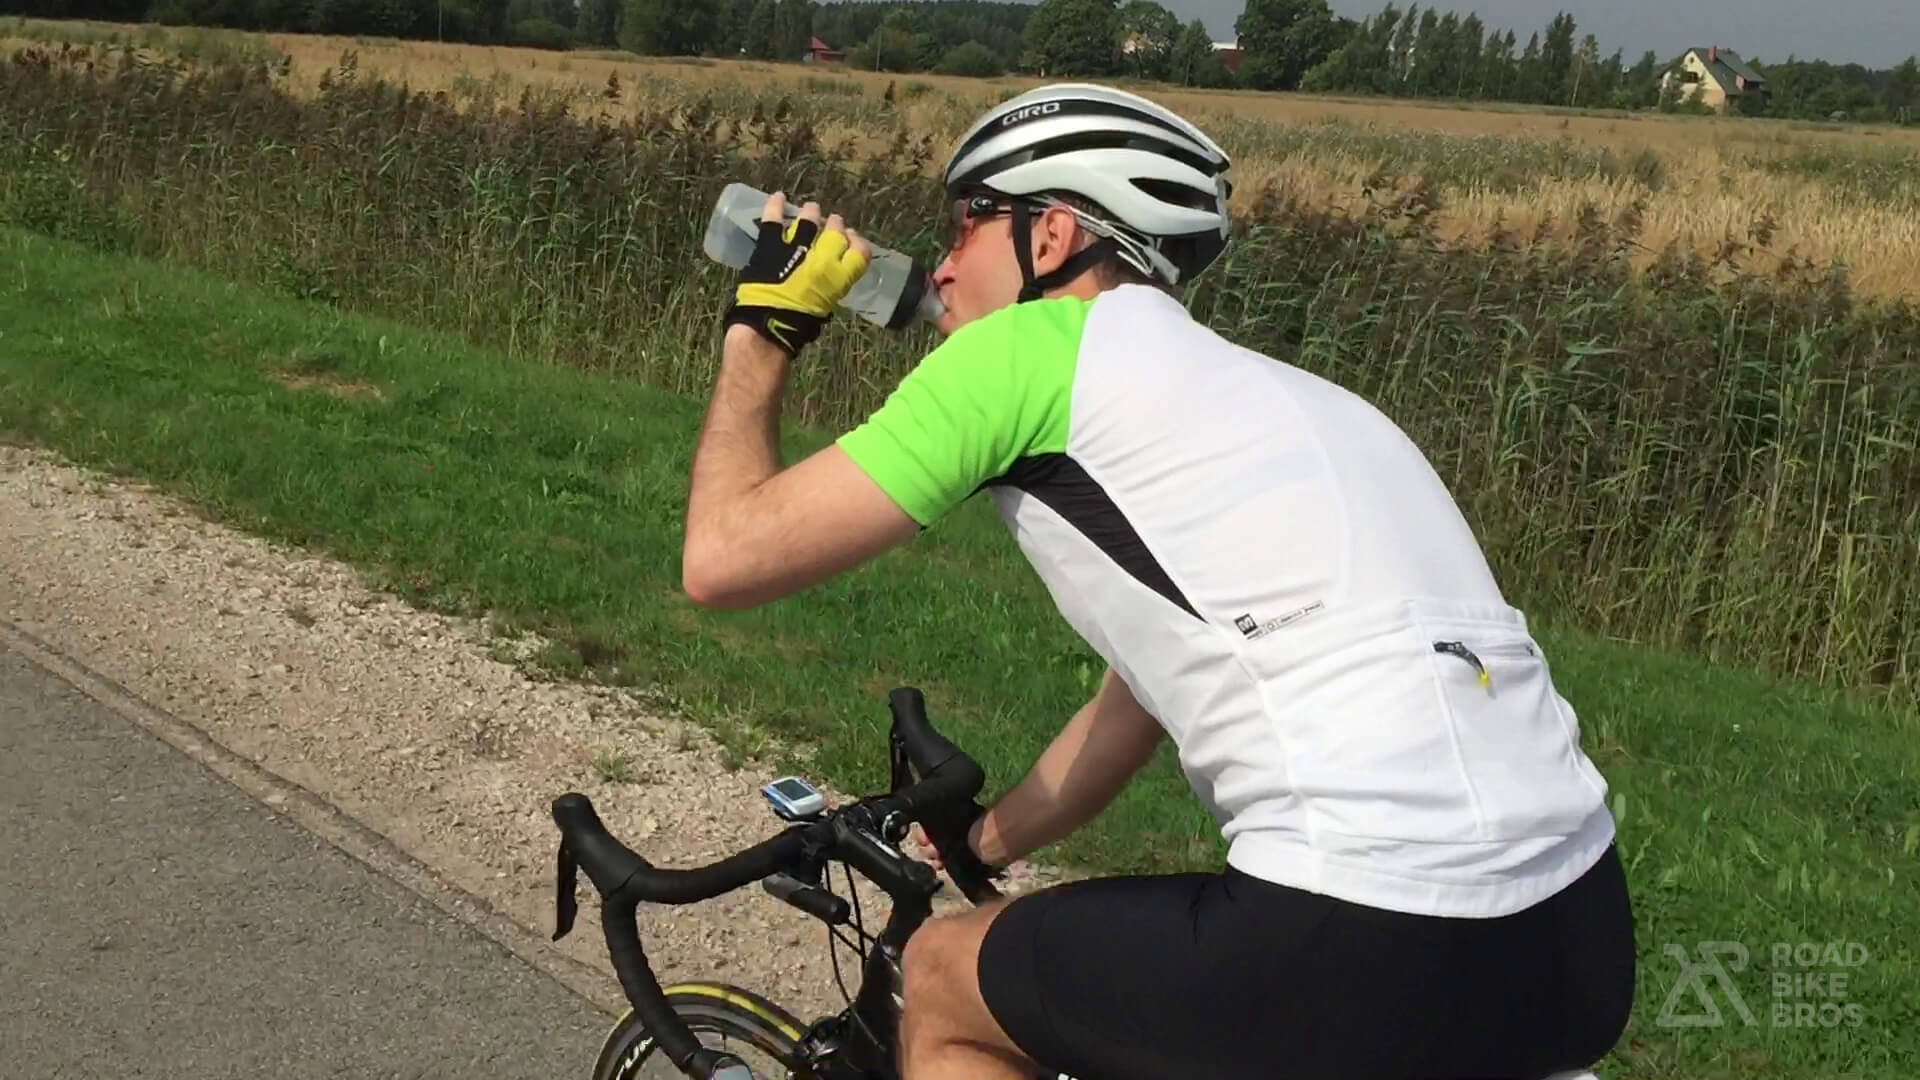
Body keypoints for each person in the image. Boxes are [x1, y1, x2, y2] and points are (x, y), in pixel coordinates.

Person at [682, 82, 1636, 1080]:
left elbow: (722, 559)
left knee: (943, 979)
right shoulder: (1296, 404)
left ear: (1050, 238)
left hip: (1368, 917)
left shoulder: (1026, 353)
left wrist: (763, 321)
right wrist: (985, 839)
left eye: (966, 222)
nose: (945, 263)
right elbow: (1142, 693)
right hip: (1575, 937)